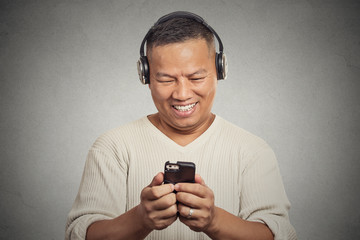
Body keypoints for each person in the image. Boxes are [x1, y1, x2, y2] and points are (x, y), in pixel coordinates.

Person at [65, 11, 297, 240]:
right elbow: (79, 235)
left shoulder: (252, 150)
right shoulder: (112, 147)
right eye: (166, 79)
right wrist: (139, 219)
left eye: (196, 78)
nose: (182, 94)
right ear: (146, 77)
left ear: (220, 70)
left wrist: (214, 222)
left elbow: (280, 235)